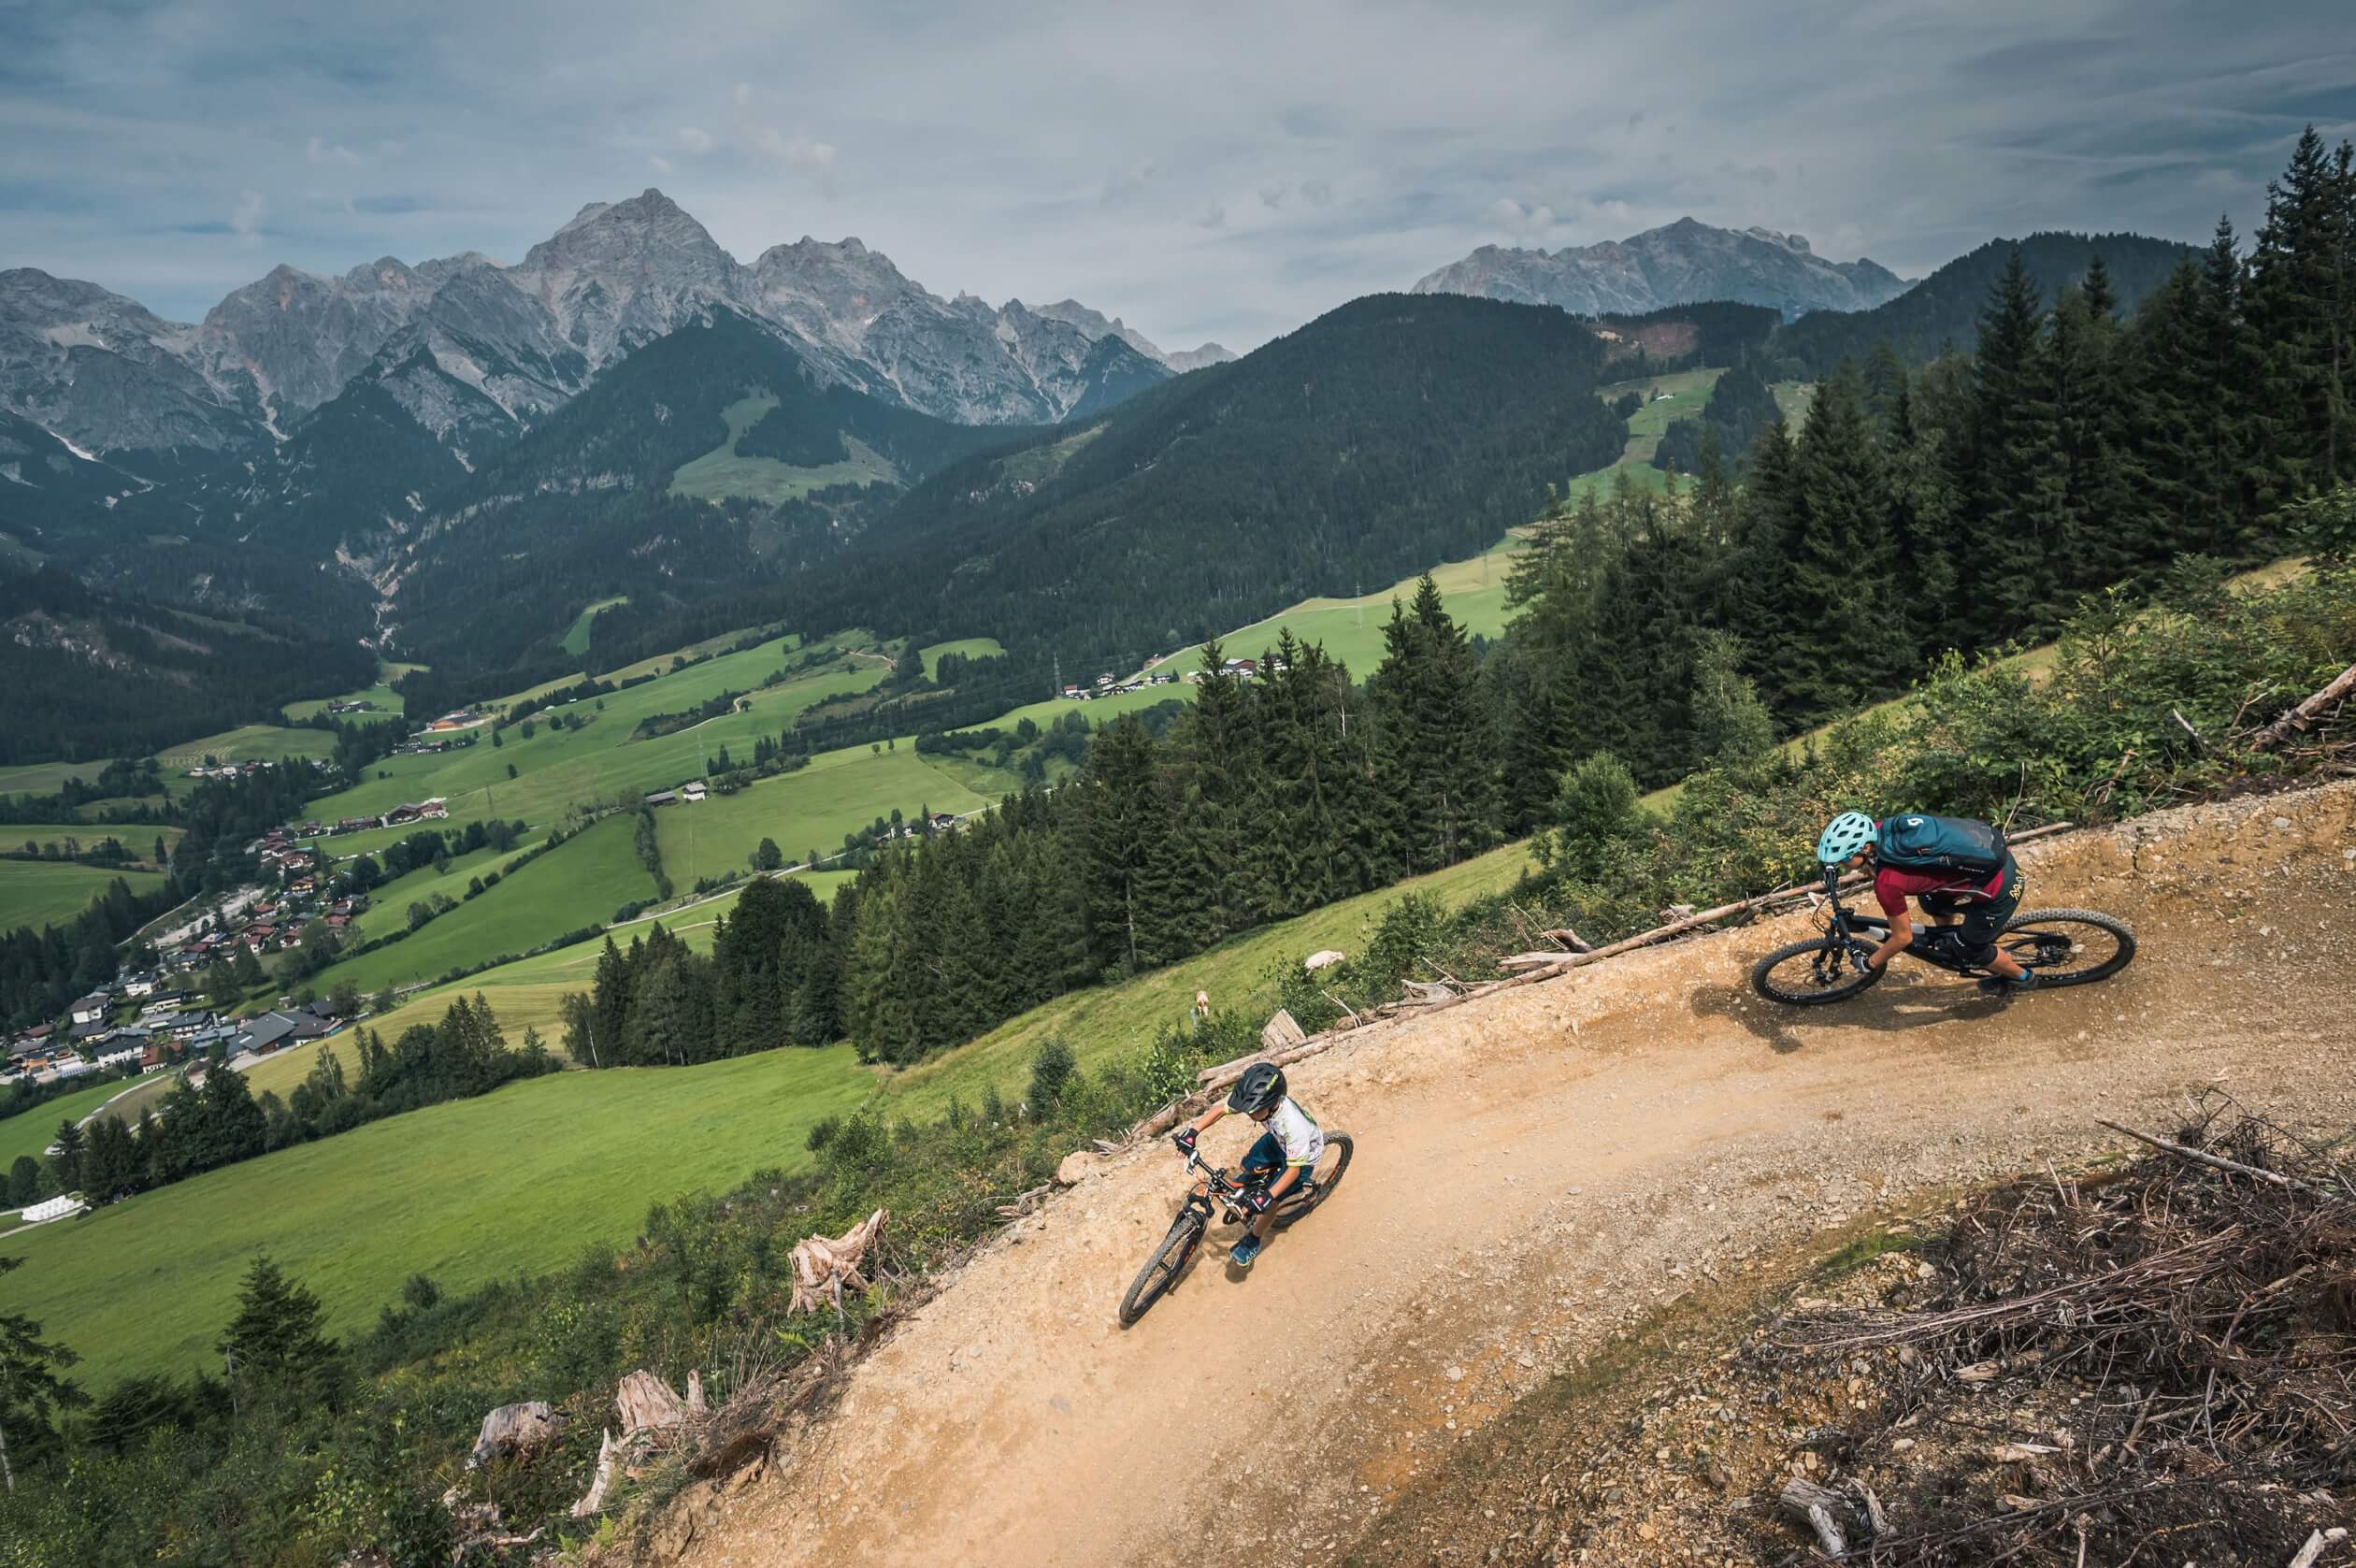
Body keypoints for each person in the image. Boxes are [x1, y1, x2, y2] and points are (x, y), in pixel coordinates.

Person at [1815, 811, 2037, 996]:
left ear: (1864, 849)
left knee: (1969, 951)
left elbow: (1902, 937)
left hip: (2000, 890)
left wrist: (1870, 963)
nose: (1843, 865)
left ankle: (2023, 978)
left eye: (1844, 859)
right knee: (1930, 902)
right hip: (1995, 862)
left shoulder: (1887, 884)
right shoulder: (1883, 829)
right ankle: (1948, 935)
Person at [1171, 1060, 1324, 1268]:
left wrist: (1267, 1196)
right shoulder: (1260, 1104)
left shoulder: (1292, 1124)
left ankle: (1253, 1239)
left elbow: (1294, 1170)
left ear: (1272, 1104)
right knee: (1247, 1164)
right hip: (1278, 1140)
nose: (1248, 1114)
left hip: (1301, 1160)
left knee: (1269, 1204)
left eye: (1253, 1111)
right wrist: (1192, 1132)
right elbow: (1220, 1110)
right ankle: (1249, 1190)